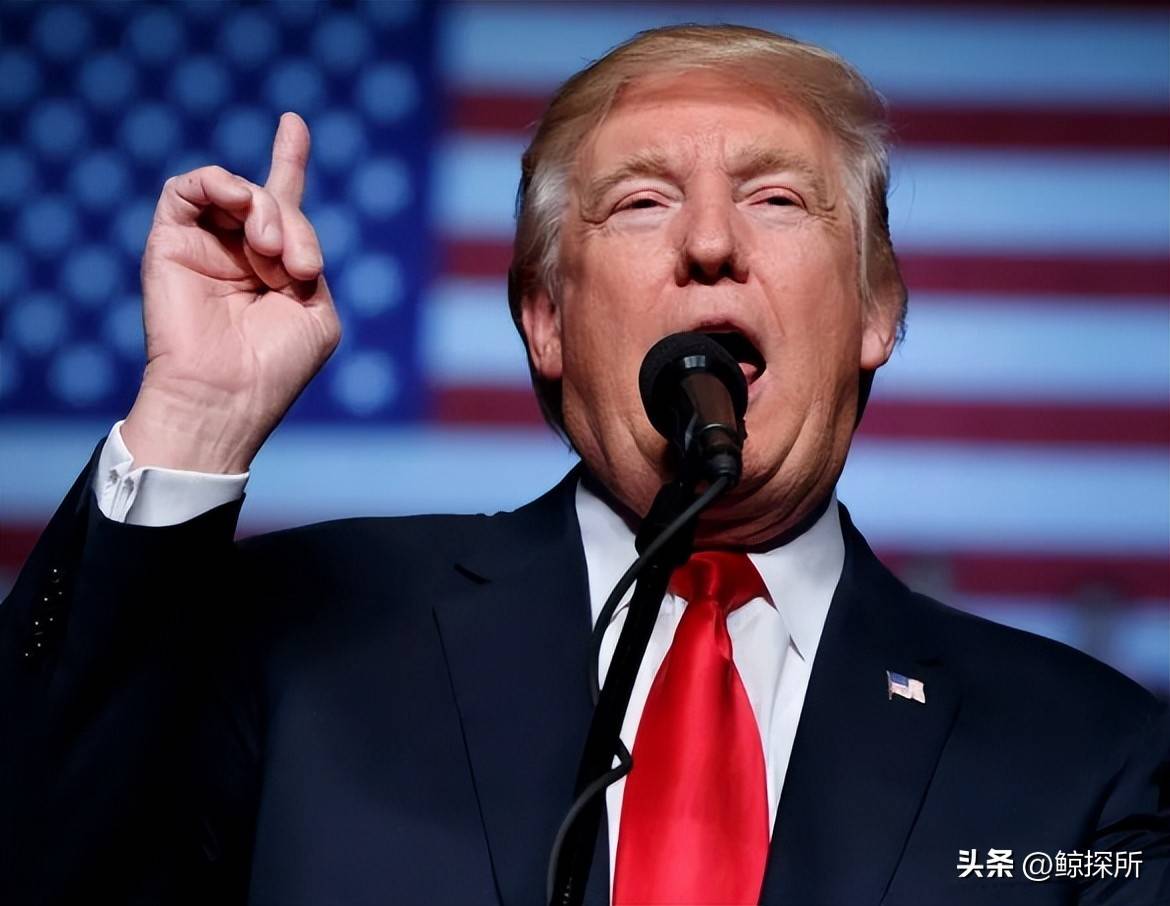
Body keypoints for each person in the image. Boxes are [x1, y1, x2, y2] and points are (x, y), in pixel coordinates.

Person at [1, 24, 1166, 906]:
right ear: (546, 321)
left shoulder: (1087, 758)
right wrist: (193, 423)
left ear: (877, 312)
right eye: (643, 201)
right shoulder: (299, 637)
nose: (709, 243)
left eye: (776, 197)